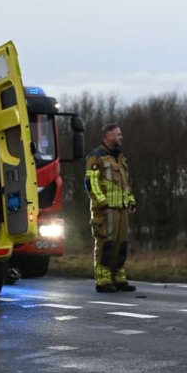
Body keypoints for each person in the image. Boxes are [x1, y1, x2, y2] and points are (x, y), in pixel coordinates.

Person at [84, 123, 136, 293]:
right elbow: (91, 183)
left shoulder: (120, 157)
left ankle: (119, 278)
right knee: (106, 244)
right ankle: (103, 280)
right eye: (118, 134)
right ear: (108, 137)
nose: (121, 137)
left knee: (121, 244)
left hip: (120, 209)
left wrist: (130, 200)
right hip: (105, 210)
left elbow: (124, 184)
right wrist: (102, 203)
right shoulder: (96, 157)